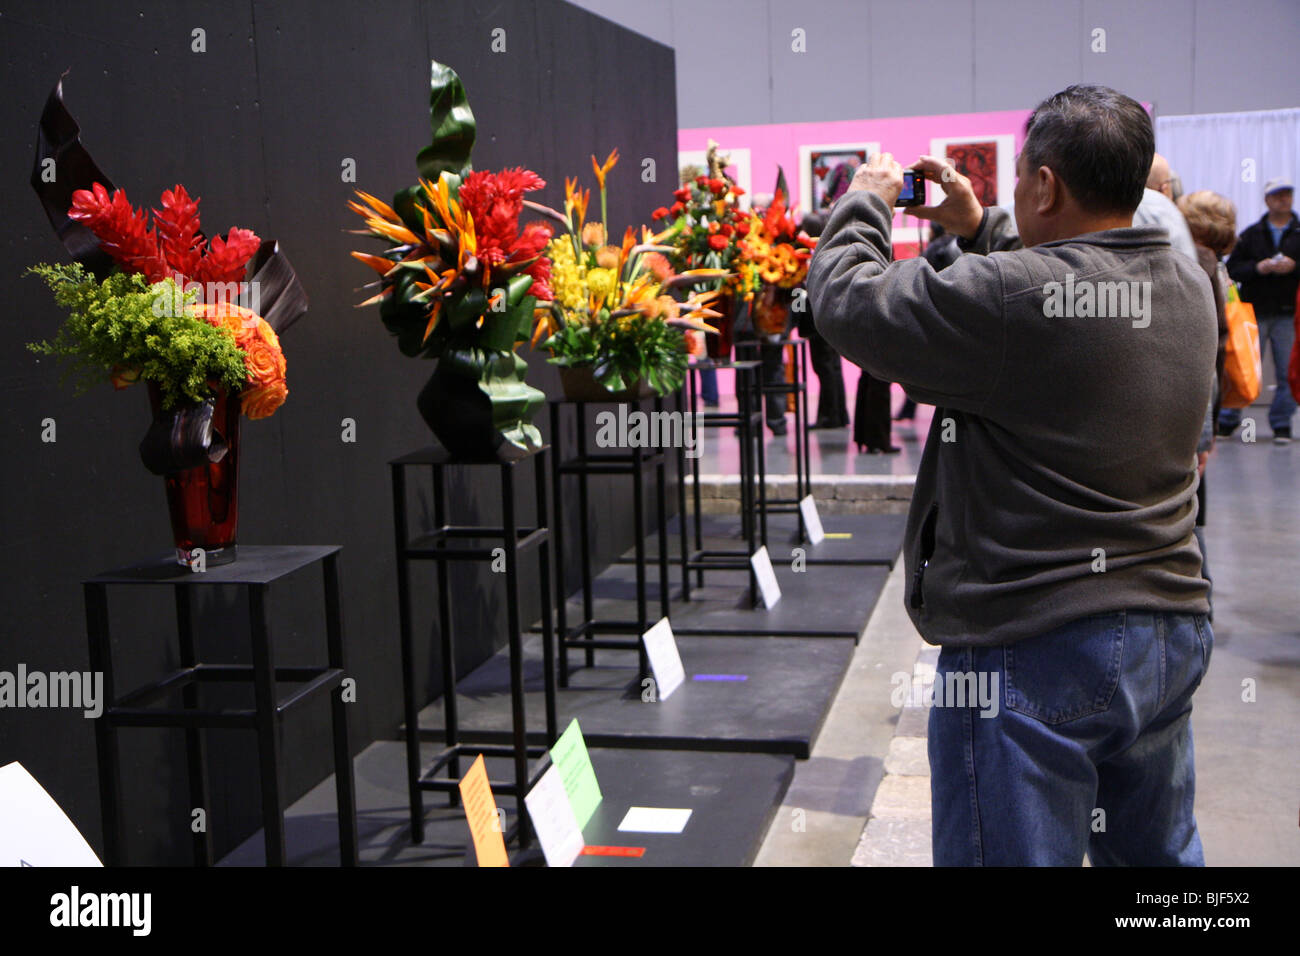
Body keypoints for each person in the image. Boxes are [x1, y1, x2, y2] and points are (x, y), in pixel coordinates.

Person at [809, 84, 1217, 866]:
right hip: (1167, 629)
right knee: (1163, 867)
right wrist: (982, 223)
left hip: (1037, 645)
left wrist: (864, 202)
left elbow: (846, 301)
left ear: (1044, 184)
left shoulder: (1011, 302)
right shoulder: (1184, 283)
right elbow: (1062, 278)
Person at [1178, 190, 1235, 616]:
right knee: (1192, 518)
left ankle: (1200, 609)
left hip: (1192, 405)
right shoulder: (1214, 263)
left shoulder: (1193, 260)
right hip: (1203, 406)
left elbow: (1201, 351)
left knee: (1188, 521)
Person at [1219, 177, 1299, 444]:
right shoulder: (1251, 234)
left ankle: (1281, 424)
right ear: (1267, 200)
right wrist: (1258, 268)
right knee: (1241, 366)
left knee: (1287, 371)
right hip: (1253, 313)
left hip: (1288, 313)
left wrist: (1294, 266)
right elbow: (1232, 269)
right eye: (1277, 196)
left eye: (1287, 194)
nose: (1283, 200)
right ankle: (1229, 420)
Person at [794, 210, 850, 429]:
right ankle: (837, 414)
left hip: (818, 320)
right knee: (831, 367)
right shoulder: (829, 251)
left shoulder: (812, 255)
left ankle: (830, 416)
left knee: (825, 368)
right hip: (829, 317)